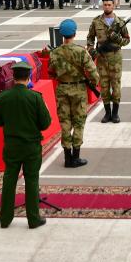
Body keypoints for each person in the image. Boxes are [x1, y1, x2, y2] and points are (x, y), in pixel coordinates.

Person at [0, 60, 52, 229]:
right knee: (31, 180)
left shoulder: (3, 96)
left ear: (13, 77)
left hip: (12, 145)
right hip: (31, 146)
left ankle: (5, 218)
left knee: (9, 180)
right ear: (28, 77)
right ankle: (33, 219)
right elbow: (45, 123)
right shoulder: (35, 97)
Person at [49, 19, 100, 168]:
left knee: (65, 123)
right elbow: (93, 73)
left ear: (62, 34)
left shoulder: (55, 52)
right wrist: (93, 82)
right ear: (74, 33)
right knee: (78, 123)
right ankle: (76, 157)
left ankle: (67, 157)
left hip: (62, 90)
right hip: (78, 90)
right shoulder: (80, 51)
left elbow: (51, 72)